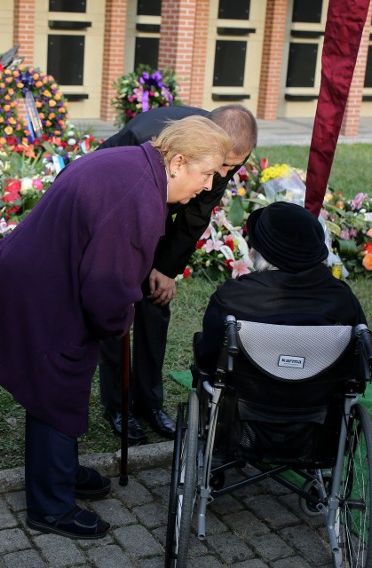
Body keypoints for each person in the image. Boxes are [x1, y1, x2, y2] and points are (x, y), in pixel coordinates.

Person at [0, 116, 233, 540]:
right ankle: (50, 507)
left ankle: (62, 471)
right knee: (54, 388)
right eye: (206, 175)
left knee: (62, 385)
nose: (206, 187)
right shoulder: (139, 195)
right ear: (178, 161)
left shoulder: (137, 166)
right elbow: (105, 289)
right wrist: (119, 318)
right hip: (43, 289)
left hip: (47, 275)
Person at [97, 104, 258, 443]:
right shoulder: (145, 140)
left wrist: (165, 269)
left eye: (233, 166)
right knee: (116, 307)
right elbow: (108, 194)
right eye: (222, 164)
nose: (225, 174)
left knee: (155, 301)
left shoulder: (225, 154)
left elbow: (197, 214)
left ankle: (149, 401)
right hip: (117, 209)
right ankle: (118, 404)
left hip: (163, 208)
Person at [195, 201, 366, 372]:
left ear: (260, 251)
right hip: (321, 394)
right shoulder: (342, 300)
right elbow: (359, 359)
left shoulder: (231, 297)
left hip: (244, 393)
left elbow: (209, 356)